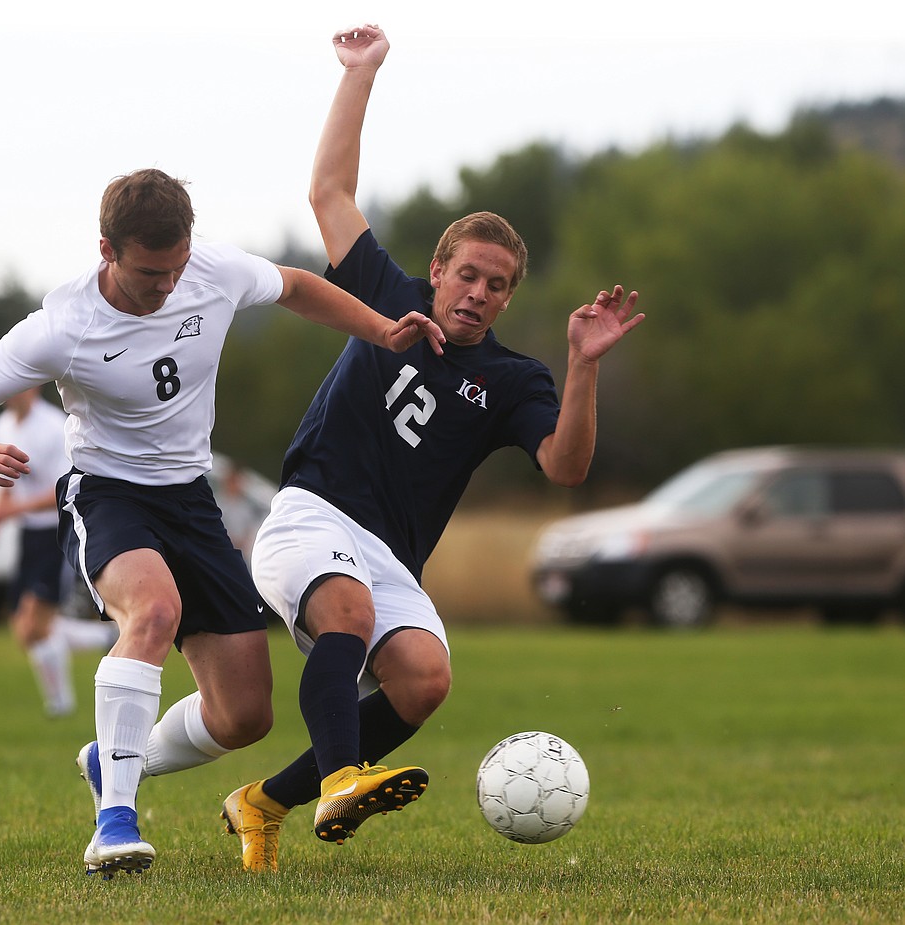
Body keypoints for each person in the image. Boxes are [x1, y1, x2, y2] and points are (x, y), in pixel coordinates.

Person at [0, 167, 445, 878]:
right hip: (108, 491)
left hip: (190, 500)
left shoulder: (213, 271)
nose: (167, 286)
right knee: (154, 610)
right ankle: (113, 822)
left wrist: (383, 331)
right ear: (106, 249)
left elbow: (296, 285)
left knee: (243, 715)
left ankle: (112, 758)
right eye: (149, 273)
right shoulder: (63, 324)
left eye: (175, 269)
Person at [221, 24, 645, 873]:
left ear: (508, 295)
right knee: (348, 612)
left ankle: (262, 802)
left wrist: (582, 365)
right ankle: (344, 774)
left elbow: (566, 466)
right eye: (468, 275)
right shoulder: (388, 294)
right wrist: (360, 73)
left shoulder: (516, 379)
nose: (479, 293)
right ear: (438, 269)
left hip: (390, 555)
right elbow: (330, 192)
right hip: (309, 517)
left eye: (497, 284)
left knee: (422, 681)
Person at [0, 386, 118, 717]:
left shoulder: (55, 427)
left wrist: (16, 509)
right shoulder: (1, 428)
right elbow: (3, 486)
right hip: (27, 535)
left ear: (34, 387)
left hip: (55, 533)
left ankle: (61, 703)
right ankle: (104, 637)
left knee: (34, 624)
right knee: (24, 627)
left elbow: (62, 489)